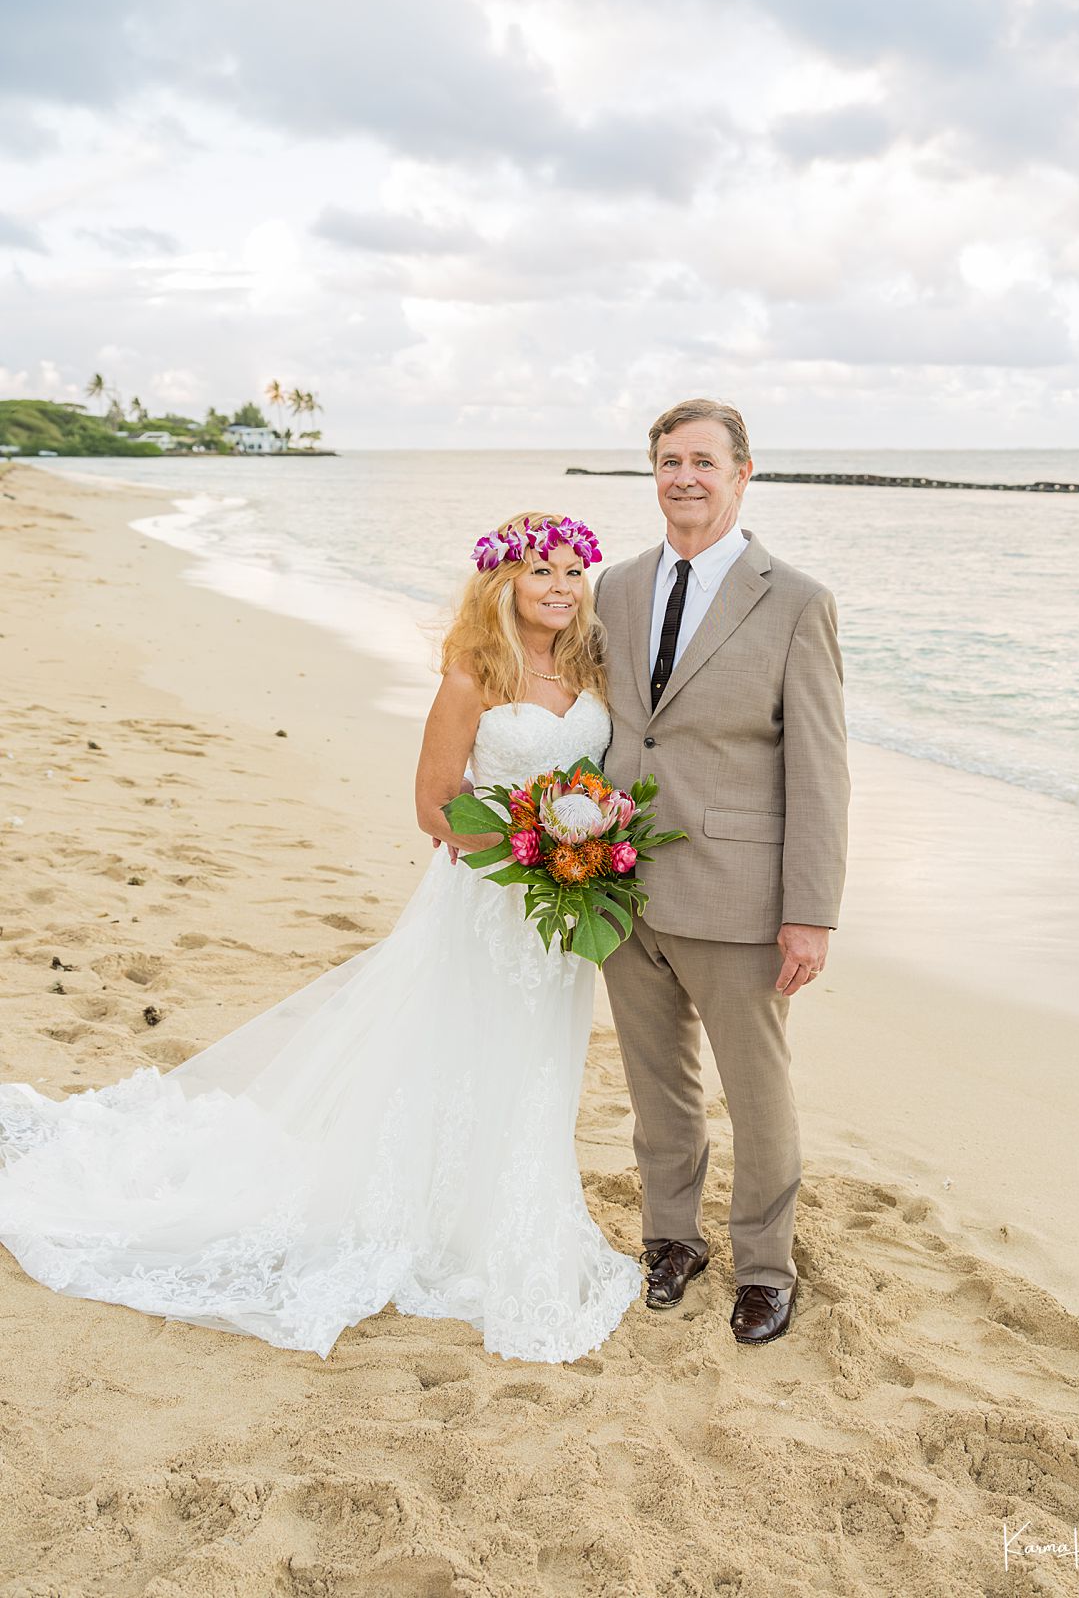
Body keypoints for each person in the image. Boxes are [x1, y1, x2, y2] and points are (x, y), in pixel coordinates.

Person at [0, 512, 641, 1363]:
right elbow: (434, 807)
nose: (560, 587)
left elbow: (599, 776)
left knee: (537, 1058)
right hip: (490, 900)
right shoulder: (472, 676)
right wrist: (539, 849)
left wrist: (585, 847)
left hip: (562, 905)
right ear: (502, 585)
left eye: (571, 571)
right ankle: (433, 1214)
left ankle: (504, 1206)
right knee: (464, 1048)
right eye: (539, 573)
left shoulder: (590, 664)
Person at [595, 401, 850, 1346]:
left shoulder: (796, 602)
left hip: (740, 896)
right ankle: (670, 1239)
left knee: (757, 1093)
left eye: (704, 460)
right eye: (669, 461)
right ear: (652, 473)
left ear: (744, 474)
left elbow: (820, 769)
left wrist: (810, 911)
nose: (684, 477)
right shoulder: (614, 589)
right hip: (620, 885)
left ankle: (765, 1266)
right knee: (655, 1084)